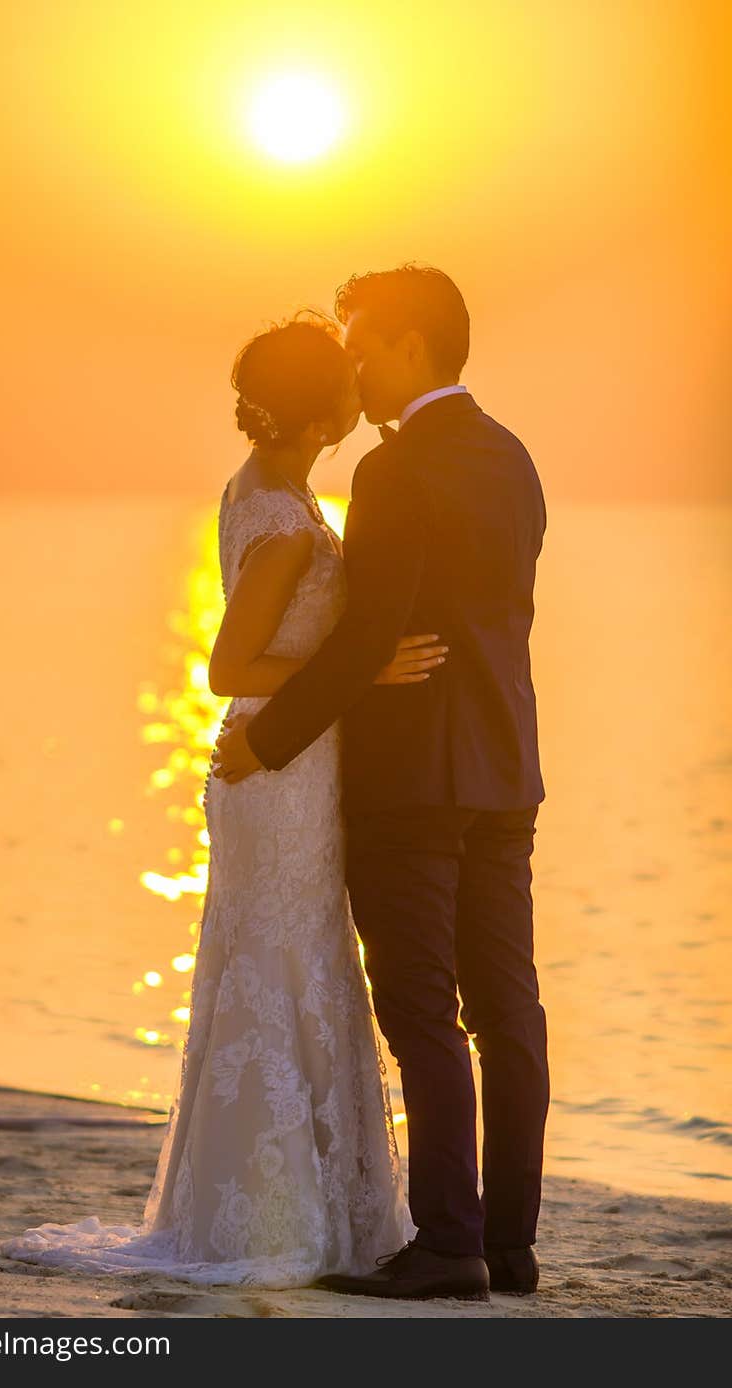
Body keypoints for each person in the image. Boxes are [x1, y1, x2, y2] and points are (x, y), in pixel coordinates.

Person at [0, 310, 450, 1289]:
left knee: (289, 962)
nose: (357, 386)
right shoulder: (284, 521)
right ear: (316, 403)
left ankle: (296, 1201)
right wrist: (363, 670)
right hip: (276, 772)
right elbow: (226, 663)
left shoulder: (268, 490)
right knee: (287, 964)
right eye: (344, 376)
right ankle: (271, 1211)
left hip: (283, 766)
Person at [213, 265, 550, 1299]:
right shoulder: (512, 455)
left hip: (413, 781)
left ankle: (447, 1243)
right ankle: (508, 1242)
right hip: (505, 767)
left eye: (361, 342)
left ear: (409, 343)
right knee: (509, 1008)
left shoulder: (393, 473)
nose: (352, 363)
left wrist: (268, 746)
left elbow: (371, 631)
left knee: (420, 1011)